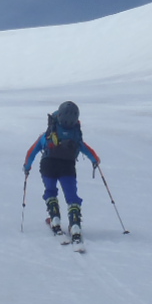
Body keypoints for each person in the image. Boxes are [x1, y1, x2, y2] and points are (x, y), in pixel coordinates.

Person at [23, 101, 100, 239]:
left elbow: (32, 151)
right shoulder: (74, 135)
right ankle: (75, 225)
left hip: (48, 165)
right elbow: (85, 148)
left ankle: (55, 218)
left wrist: (27, 167)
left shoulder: (49, 133)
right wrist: (95, 160)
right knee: (72, 196)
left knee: (51, 191)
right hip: (67, 166)